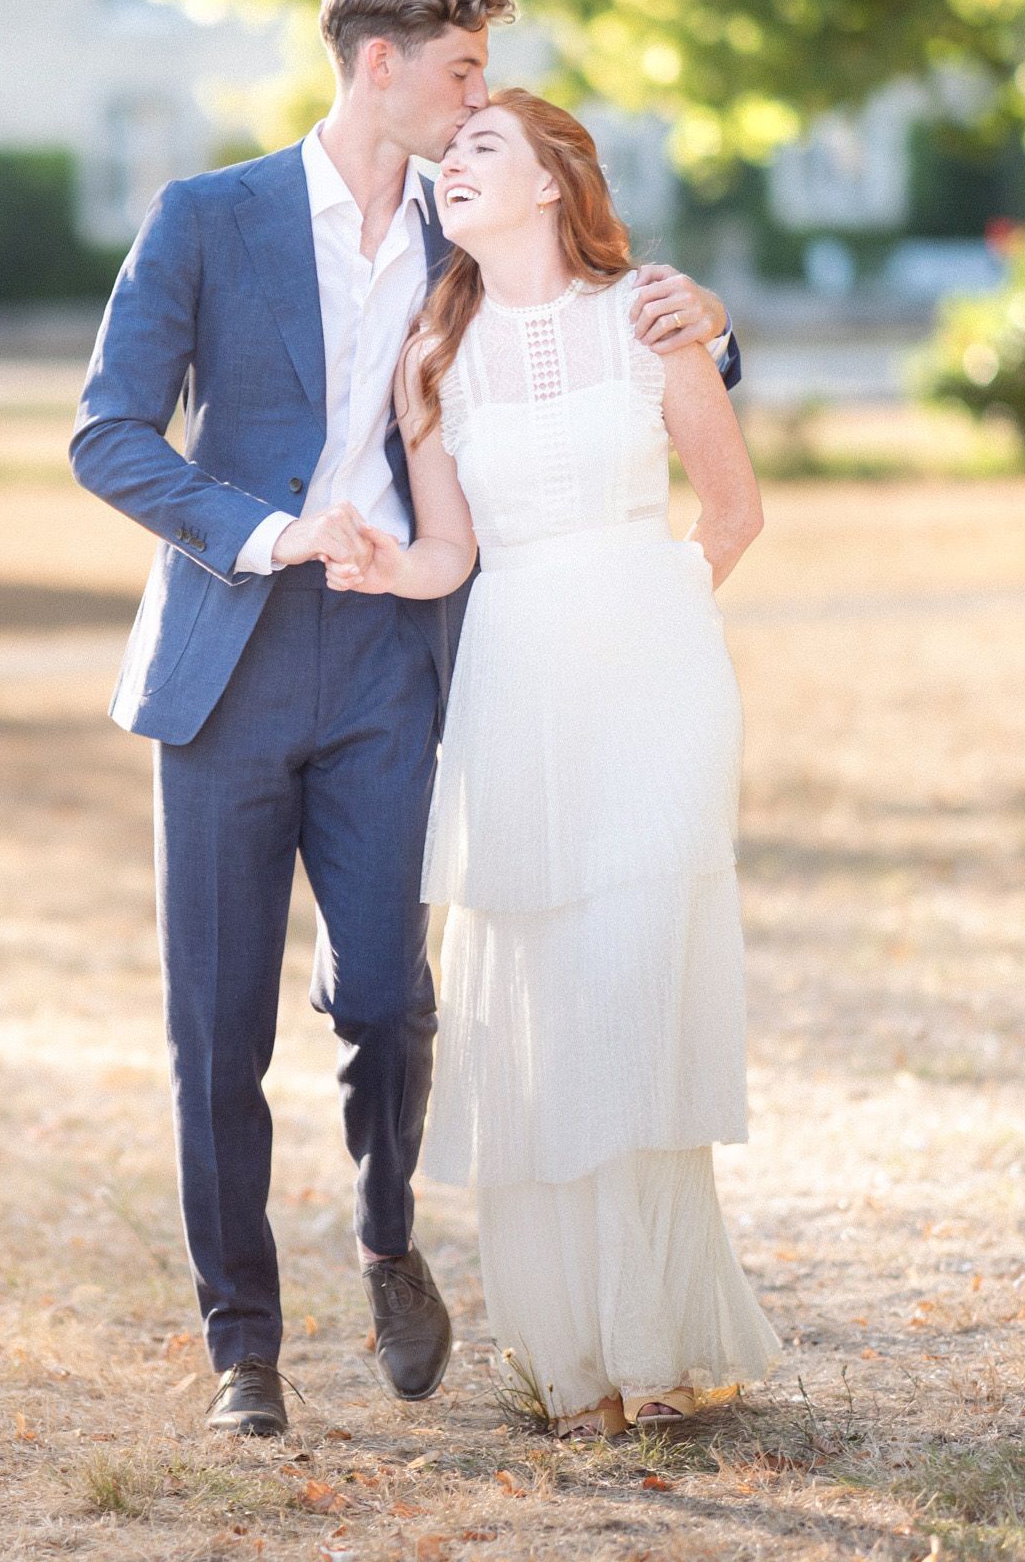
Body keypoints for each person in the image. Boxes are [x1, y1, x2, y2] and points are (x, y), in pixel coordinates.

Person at [69, 0, 740, 1437]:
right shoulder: (207, 217)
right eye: (461, 71)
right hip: (225, 667)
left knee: (388, 998)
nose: (477, 99)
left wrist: (710, 328)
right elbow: (108, 435)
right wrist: (266, 531)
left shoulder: (464, 225)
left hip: (396, 663)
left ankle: (386, 1241)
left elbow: (584, 307)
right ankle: (243, 1347)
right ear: (381, 64)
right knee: (216, 1026)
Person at [325, 88, 779, 1438]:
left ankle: (659, 1339)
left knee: (635, 990)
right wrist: (378, 562)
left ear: (548, 183)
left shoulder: (647, 315)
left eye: (481, 148)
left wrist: (657, 620)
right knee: (545, 1007)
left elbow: (733, 509)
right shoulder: (434, 359)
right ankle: (573, 1359)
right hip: (512, 686)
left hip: (654, 693)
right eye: (446, 153)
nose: (452, 164)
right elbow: (449, 555)